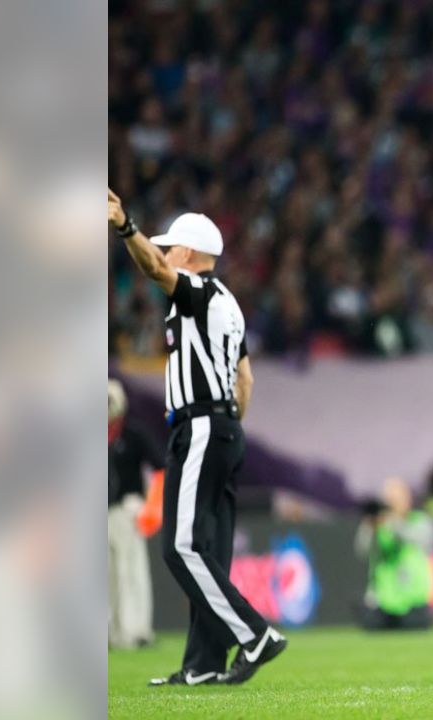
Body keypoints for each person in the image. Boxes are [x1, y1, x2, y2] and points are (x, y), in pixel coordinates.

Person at [107, 189, 287, 686]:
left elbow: (155, 271)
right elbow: (245, 380)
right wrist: (230, 428)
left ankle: (255, 635)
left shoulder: (199, 291)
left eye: (169, 248)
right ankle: (204, 664)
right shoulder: (229, 305)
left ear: (186, 254)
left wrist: (125, 226)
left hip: (202, 425)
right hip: (225, 426)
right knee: (208, 548)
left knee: (180, 547)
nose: (163, 254)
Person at [108, 379, 163, 649]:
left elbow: (161, 467)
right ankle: (111, 632)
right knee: (105, 576)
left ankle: (136, 630)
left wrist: (153, 505)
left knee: (131, 570)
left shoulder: (133, 434)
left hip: (127, 509)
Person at [355, 479, 433, 630]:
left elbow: (423, 540)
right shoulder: (377, 525)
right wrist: (372, 528)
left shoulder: (420, 521)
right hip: (383, 601)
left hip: (414, 600)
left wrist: (393, 522)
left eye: (396, 500)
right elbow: (363, 551)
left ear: (408, 500)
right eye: (389, 501)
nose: (392, 505)